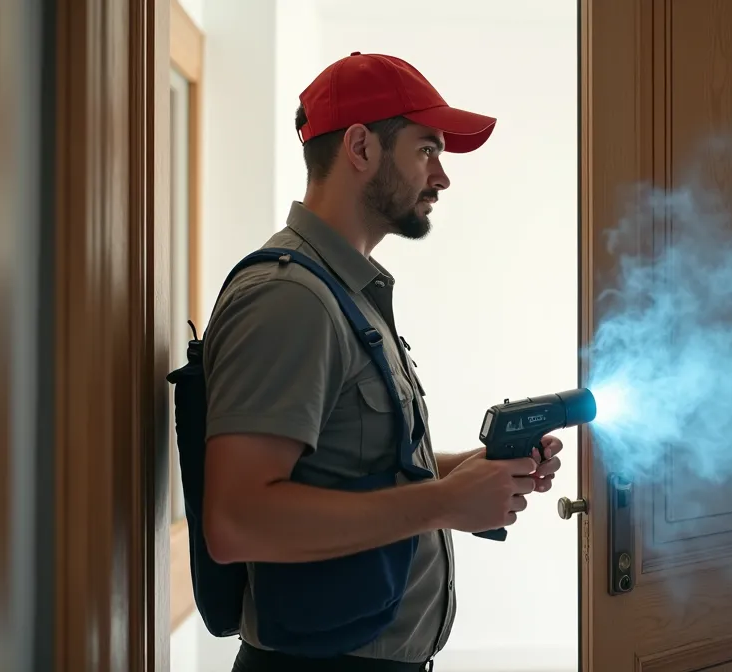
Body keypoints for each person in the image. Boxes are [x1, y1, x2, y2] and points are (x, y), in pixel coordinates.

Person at [201, 52, 565, 672]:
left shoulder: (342, 295)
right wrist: (445, 503)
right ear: (361, 147)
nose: (442, 176)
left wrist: (465, 473)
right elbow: (237, 521)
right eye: (427, 150)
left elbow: (343, 466)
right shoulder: (289, 298)